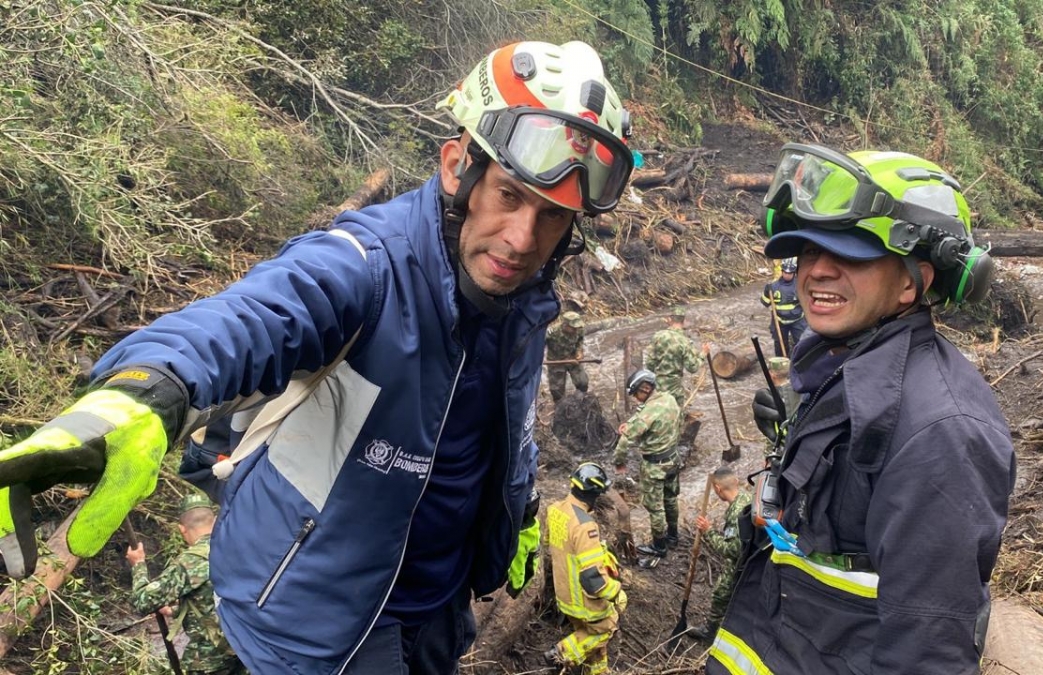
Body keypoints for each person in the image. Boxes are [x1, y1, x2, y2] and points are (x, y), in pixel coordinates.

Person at [0, 40, 636, 675]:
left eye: (552, 217)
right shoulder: (367, 267)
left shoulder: (524, 301)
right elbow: (257, 314)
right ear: (456, 169)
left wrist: (516, 510)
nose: (522, 239)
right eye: (507, 196)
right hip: (315, 628)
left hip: (435, 616)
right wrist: (147, 388)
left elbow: (500, 425)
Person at [710, 144, 1015, 674]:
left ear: (911, 282)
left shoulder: (943, 434)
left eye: (850, 253)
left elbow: (927, 654)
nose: (816, 272)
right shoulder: (837, 364)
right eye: (806, 251)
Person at [126, 493, 242, 675]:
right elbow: (218, 599)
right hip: (245, 652)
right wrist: (174, 611)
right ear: (215, 521)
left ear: (182, 529)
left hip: (210, 661)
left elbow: (143, 601)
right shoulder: (239, 548)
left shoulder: (188, 562)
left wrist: (138, 565)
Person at [544, 462, 627, 675]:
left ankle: (598, 671)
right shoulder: (585, 526)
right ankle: (560, 654)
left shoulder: (555, 511)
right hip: (583, 601)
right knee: (607, 627)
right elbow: (593, 580)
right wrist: (617, 593)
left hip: (564, 596)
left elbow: (552, 548)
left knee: (589, 638)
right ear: (594, 493)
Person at [613, 369, 682, 560]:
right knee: (670, 499)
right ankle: (673, 536)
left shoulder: (647, 413)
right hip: (673, 459)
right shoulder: (669, 399)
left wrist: (619, 462)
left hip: (655, 465)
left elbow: (625, 441)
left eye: (636, 394)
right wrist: (632, 423)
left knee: (655, 508)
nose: (636, 399)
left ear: (645, 388)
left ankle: (659, 546)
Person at [685, 466, 751, 644]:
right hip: (753, 559)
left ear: (717, 489)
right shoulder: (746, 498)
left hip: (741, 564)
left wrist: (708, 531)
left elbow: (731, 550)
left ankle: (711, 635)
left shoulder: (736, 513)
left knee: (720, 595)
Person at [643, 306, 709, 408]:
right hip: (674, 389)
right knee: (676, 414)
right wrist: (703, 354)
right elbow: (693, 368)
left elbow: (649, 364)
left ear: (669, 319)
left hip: (658, 387)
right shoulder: (684, 341)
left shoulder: (658, 336)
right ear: (684, 321)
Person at [760, 257, 806, 357]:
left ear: (794, 273)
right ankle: (782, 365)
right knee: (780, 345)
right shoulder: (773, 287)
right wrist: (766, 292)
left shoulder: (800, 285)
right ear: (782, 271)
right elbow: (765, 302)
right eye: (785, 272)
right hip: (779, 321)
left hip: (797, 320)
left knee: (802, 343)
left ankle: (799, 364)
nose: (787, 275)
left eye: (790, 273)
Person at [545, 310, 589, 402]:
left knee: (583, 382)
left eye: (577, 327)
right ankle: (560, 407)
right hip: (556, 362)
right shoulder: (552, 332)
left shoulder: (579, 329)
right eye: (573, 328)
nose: (576, 330)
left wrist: (579, 351)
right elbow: (539, 345)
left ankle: (581, 400)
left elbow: (580, 341)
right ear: (565, 325)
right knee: (557, 391)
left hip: (573, 358)